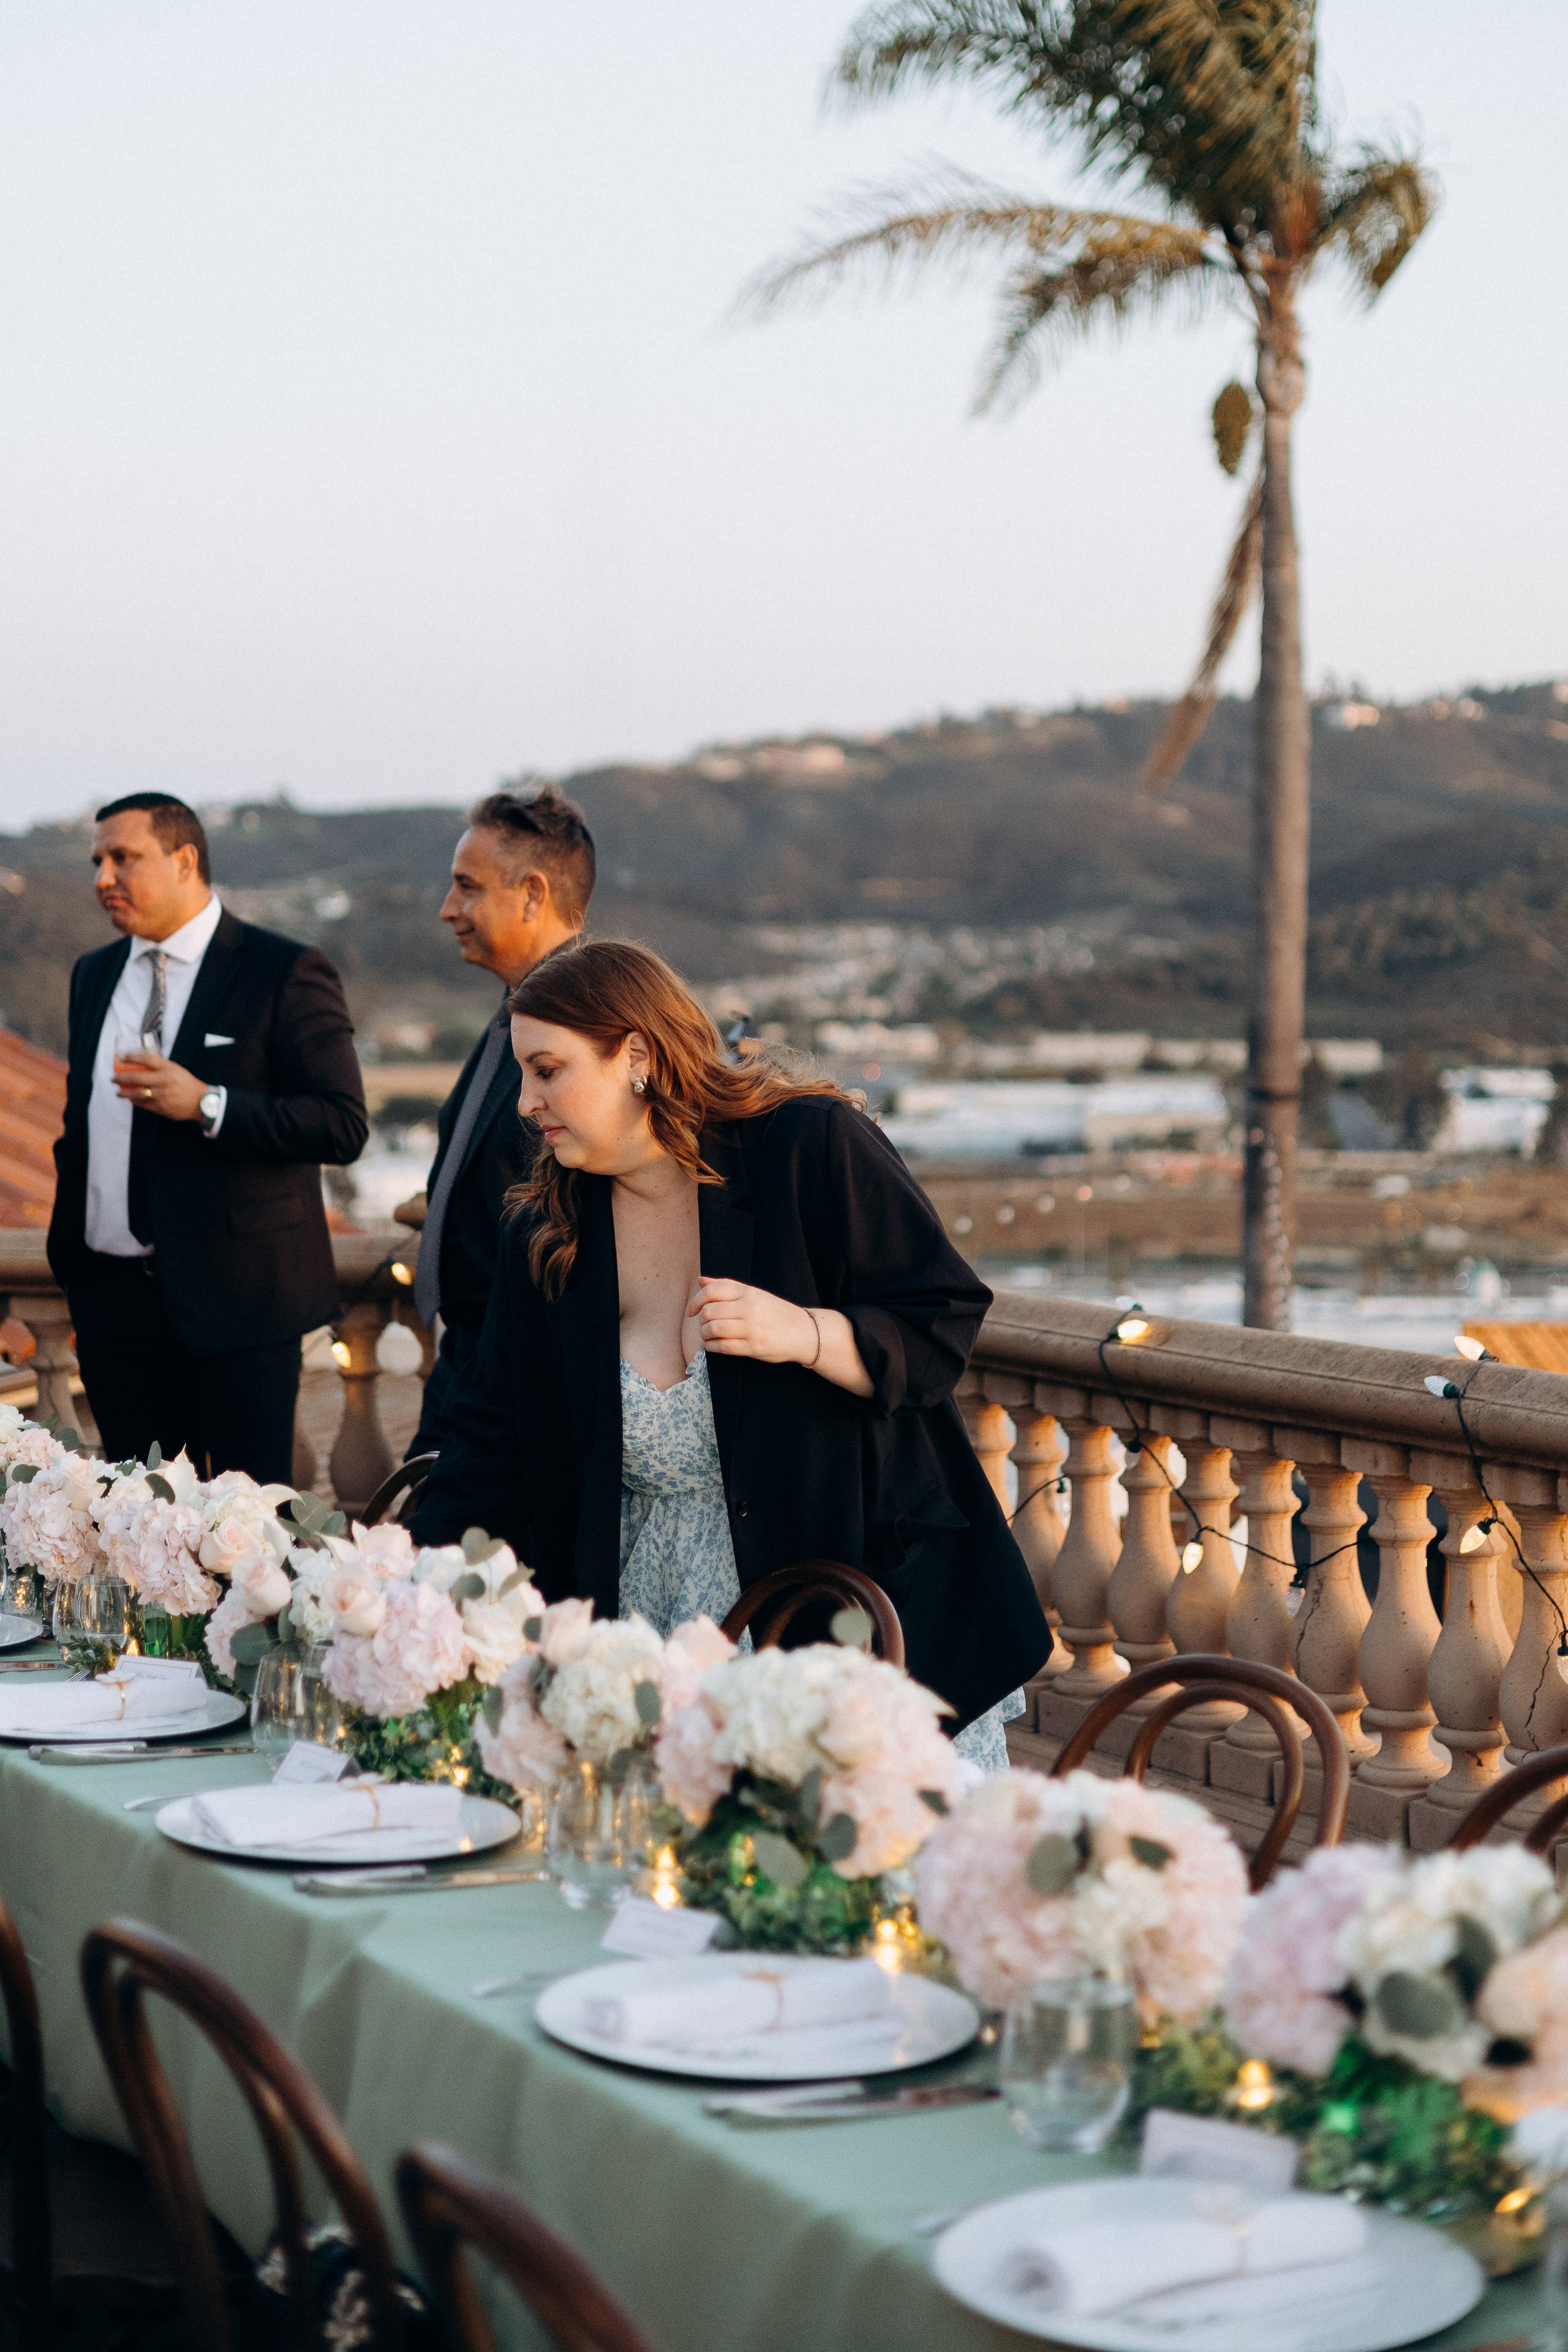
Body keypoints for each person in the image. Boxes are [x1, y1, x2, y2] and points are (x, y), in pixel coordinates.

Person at [411, 939, 1050, 1763]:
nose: (527, 1102)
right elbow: (487, 1445)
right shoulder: (545, 1234)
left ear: (635, 1056)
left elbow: (943, 1317)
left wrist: (810, 1335)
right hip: (649, 1641)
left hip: (851, 1619)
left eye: (548, 1070)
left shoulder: (809, 1147)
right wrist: (404, 1590)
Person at [47, 792, 368, 1482]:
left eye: (123, 858)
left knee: (244, 1535)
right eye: (98, 860)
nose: (103, 876)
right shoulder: (93, 974)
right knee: (139, 1530)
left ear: (185, 859)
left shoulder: (283, 970)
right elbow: (83, 1125)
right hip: (114, 1311)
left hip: (241, 1311)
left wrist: (208, 1104)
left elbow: (341, 1123)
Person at [405, 786, 595, 1458]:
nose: (447, 908)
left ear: (533, 894)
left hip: (516, 1383)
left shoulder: (584, 1034)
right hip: (471, 1366)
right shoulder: (514, 1020)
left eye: (466, 887)